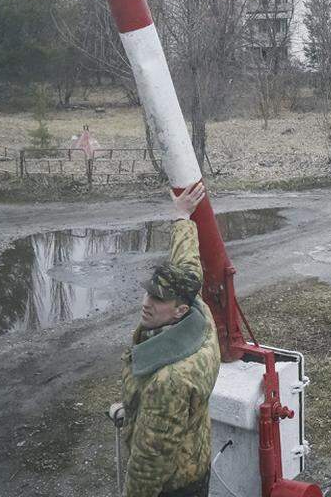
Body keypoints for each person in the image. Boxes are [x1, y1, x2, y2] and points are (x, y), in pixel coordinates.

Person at [110, 182, 221, 497]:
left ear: (178, 310)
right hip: (196, 461)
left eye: (157, 299)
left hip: (174, 486)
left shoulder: (168, 381)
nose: (146, 303)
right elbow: (188, 265)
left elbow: (150, 461)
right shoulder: (198, 314)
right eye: (148, 292)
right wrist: (182, 217)